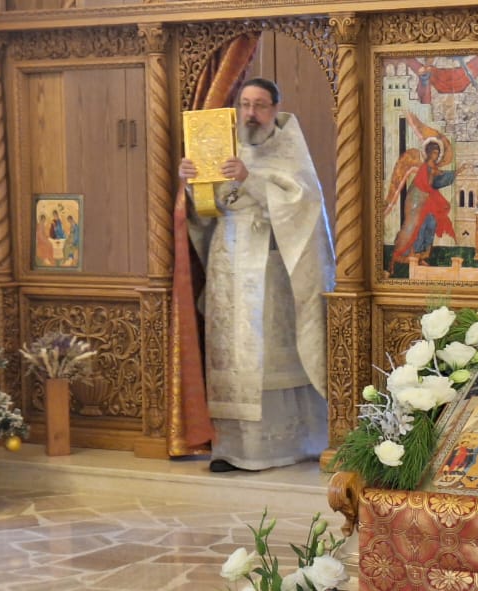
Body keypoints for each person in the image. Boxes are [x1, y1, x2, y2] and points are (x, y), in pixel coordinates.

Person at [176, 78, 335, 473]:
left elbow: (304, 205)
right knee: (230, 354)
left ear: (276, 109)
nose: (251, 113)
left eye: (260, 105)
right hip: (227, 263)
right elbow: (206, 214)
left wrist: (251, 179)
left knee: (266, 356)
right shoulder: (220, 147)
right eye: (245, 104)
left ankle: (287, 444)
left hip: (270, 270)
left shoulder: (287, 149)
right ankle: (232, 449)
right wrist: (192, 185)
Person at [385, 113, 456, 268]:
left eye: (437, 153)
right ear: (428, 153)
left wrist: (456, 173)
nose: (436, 155)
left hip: (427, 201)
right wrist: (437, 176)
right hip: (417, 201)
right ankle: (399, 257)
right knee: (413, 226)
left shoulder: (434, 168)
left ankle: (422, 255)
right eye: (434, 152)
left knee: (431, 223)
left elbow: (437, 181)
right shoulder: (425, 167)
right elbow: (425, 184)